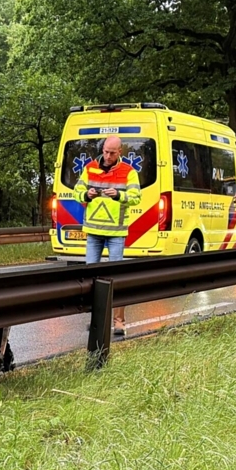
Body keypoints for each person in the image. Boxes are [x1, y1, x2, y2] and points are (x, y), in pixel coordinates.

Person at [73, 135, 141, 336]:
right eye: (105, 152)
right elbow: (77, 192)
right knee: (91, 278)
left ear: (120, 152)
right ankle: (96, 320)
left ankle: (119, 322)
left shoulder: (129, 172)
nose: (108, 156)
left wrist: (119, 195)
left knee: (115, 278)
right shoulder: (90, 168)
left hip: (116, 232)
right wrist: (86, 195)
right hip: (94, 230)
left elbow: (136, 197)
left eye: (112, 153)